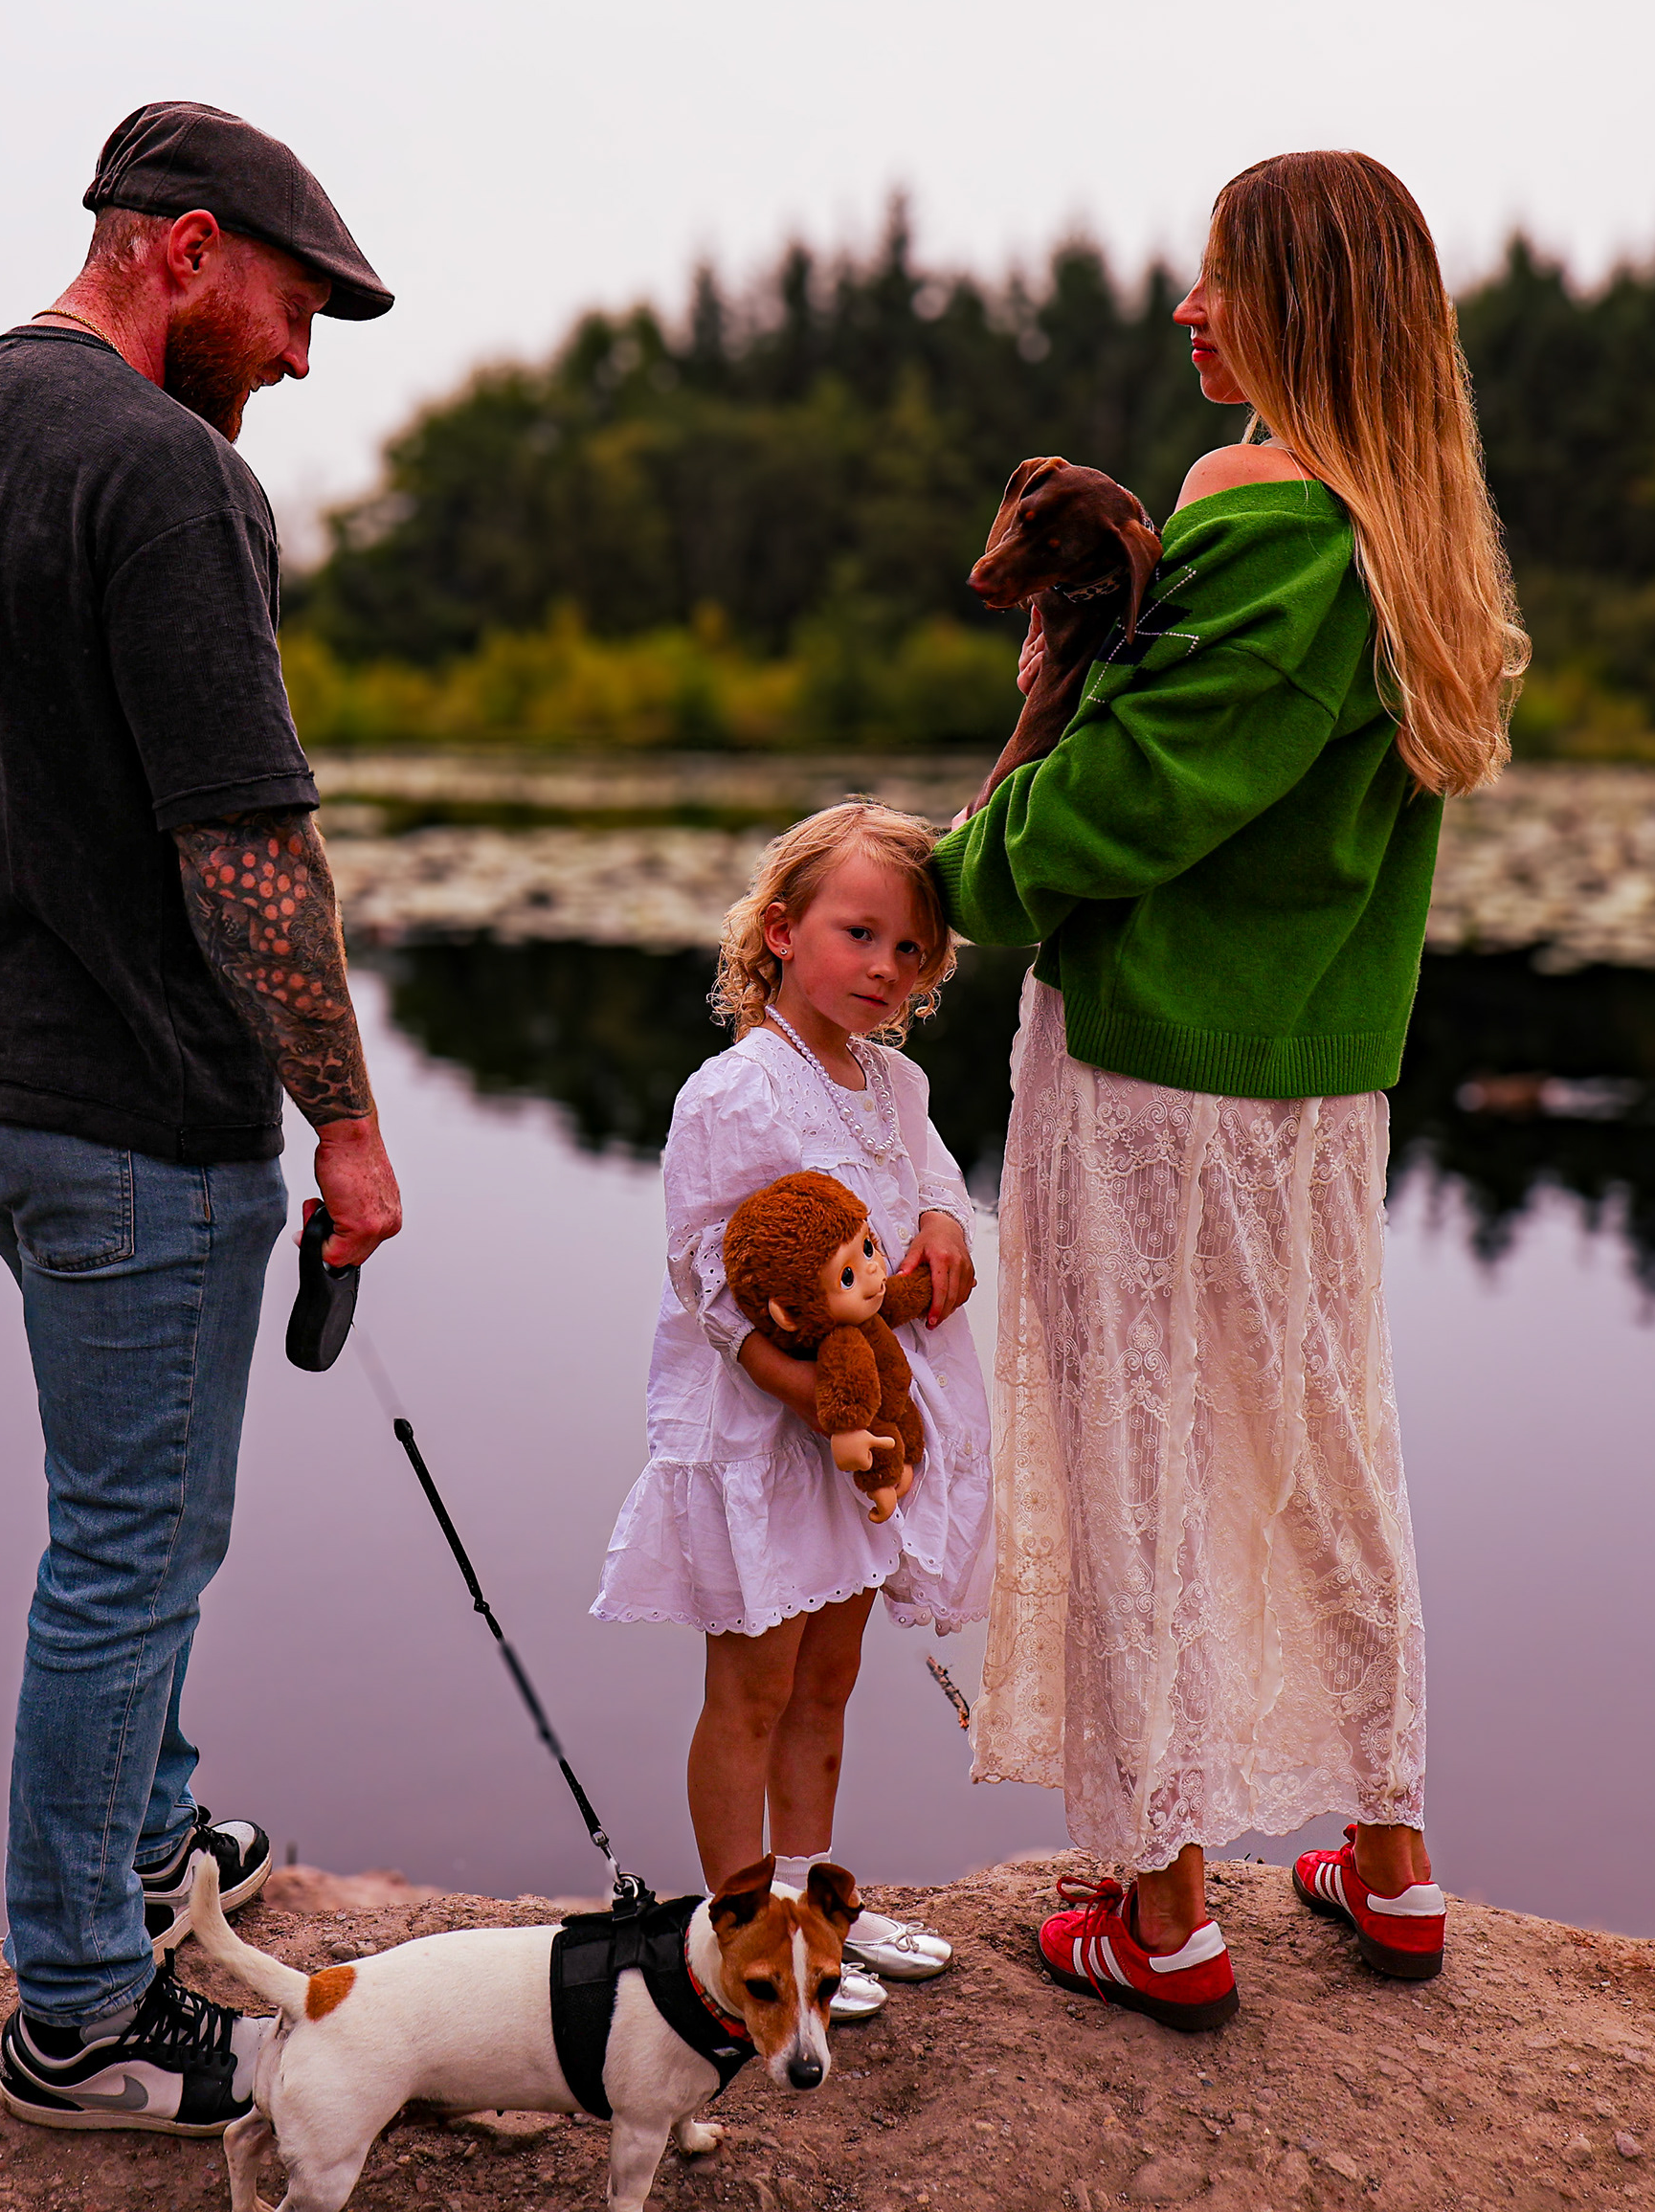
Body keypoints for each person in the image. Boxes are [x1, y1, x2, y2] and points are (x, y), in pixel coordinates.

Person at [0, 101, 407, 2136]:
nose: (303, 357)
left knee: (135, 1513)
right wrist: (348, 1125)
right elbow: (246, 849)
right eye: (295, 307)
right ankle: (81, 2008)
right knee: (133, 1547)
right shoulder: (168, 474)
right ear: (183, 250)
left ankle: (151, 1835)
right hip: (128, 1108)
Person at [931, 150, 1529, 2034]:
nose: (1187, 312)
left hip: (1155, 1070)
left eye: (1219, 279)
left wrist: (943, 879)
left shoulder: (1264, 516)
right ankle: (1389, 1860)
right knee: (1323, 1437)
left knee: (1146, 1449)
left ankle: (1165, 1903)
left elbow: (1129, 798)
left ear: (1304, 307)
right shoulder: (1414, 548)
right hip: (1318, 1082)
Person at [591, 801, 994, 2010]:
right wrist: (812, 1393)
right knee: (754, 1691)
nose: (886, 967)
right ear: (780, 931)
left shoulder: (896, 1080)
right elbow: (711, 1285)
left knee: (829, 1680)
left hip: (861, 1434)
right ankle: (742, 1941)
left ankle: (813, 1912)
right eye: (859, 934)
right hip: (770, 1434)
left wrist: (942, 1223)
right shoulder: (737, 1091)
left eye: (911, 949)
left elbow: (934, 1179)